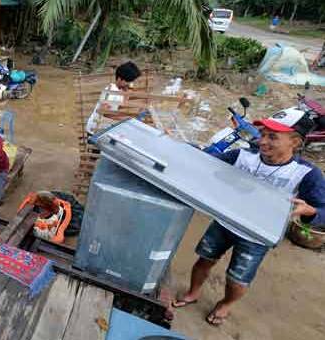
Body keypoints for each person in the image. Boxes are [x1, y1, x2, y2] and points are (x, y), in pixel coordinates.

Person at [173, 108, 325, 326]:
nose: (262, 141)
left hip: (258, 235)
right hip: (226, 221)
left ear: (295, 142)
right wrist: (186, 148)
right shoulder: (243, 155)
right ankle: (193, 292)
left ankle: (226, 304)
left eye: (273, 137)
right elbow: (208, 162)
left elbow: (322, 210)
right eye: (262, 134)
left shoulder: (306, 174)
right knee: (204, 259)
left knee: (237, 279)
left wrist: (310, 211)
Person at [85, 61, 141, 135]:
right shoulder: (111, 91)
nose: (129, 84)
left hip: (104, 127)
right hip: (95, 130)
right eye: (128, 81)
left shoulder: (120, 90)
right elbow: (104, 112)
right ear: (120, 79)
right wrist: (124, 119)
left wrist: (129, 89)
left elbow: (122, 103)